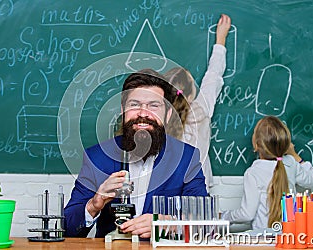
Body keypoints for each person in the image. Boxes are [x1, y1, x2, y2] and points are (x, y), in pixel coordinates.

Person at [64, 69, 208, 239]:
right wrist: (93, 205)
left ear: (168, 114)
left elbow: (204, 222)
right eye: (134, 104)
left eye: (154, 105)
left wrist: (170, 224)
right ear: (123, 110)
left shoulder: (186, 157)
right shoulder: (97, 157)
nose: (143, 113)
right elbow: (68, 229)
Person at [164, 14, 231, 190]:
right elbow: (213, 75)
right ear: (191, 95)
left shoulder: (158, 117)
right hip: (200, 187)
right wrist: (221, 39)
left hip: (168, 188)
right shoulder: (201, 110)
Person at [221, 116, 313, 230]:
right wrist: (294, 154)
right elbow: (312, 180)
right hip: (289, 237)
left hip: (263, 239)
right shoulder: (291, 163)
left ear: (256, 145)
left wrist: (225, 216)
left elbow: (247, 214)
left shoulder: (253, 173)